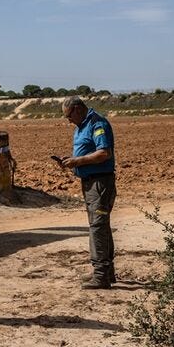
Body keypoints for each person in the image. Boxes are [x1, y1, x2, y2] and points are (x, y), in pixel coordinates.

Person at [57, 96, 117, 289]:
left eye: (69, 116)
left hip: (100, 184)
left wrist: (78, 161)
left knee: (98, 227)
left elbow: (103, 153)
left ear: (77, 109)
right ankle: (107, 273)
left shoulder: (97, 123)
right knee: (101, 226)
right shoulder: (82, 126)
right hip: (90, 183)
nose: (68, 120)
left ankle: (101, 277)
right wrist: (72, 160)